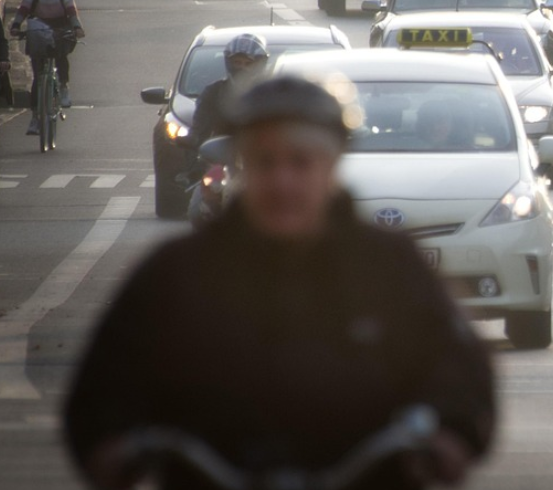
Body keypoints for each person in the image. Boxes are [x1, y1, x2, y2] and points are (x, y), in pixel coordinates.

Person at [63, 75, 496, 490]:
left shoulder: (390, 267)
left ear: (332, 167)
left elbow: (456, 365)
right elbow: (107, 378)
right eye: (265, 161)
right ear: (242, 167)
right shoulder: (176, 273)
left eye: (300, 162)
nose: (282, 182)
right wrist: (111, 440)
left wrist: (449, 430)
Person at [186, 33, 270, 221]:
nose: (242, 68)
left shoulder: (272, 93)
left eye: (248, 63)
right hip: (223, 161)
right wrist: (193, 140)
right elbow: (199, 128)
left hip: (265, 161)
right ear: (228, 63)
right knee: (197, 206)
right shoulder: (213, 92)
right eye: (237, 62)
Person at [9, 0, 85, 134]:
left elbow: (72, 13)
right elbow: (22, 12)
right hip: (39, 30)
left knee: (61, 55)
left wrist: (77, 28)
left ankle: (64, 87)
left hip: (60, 31)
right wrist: (15, 26)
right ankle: (35, 117)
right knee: (37, 76)